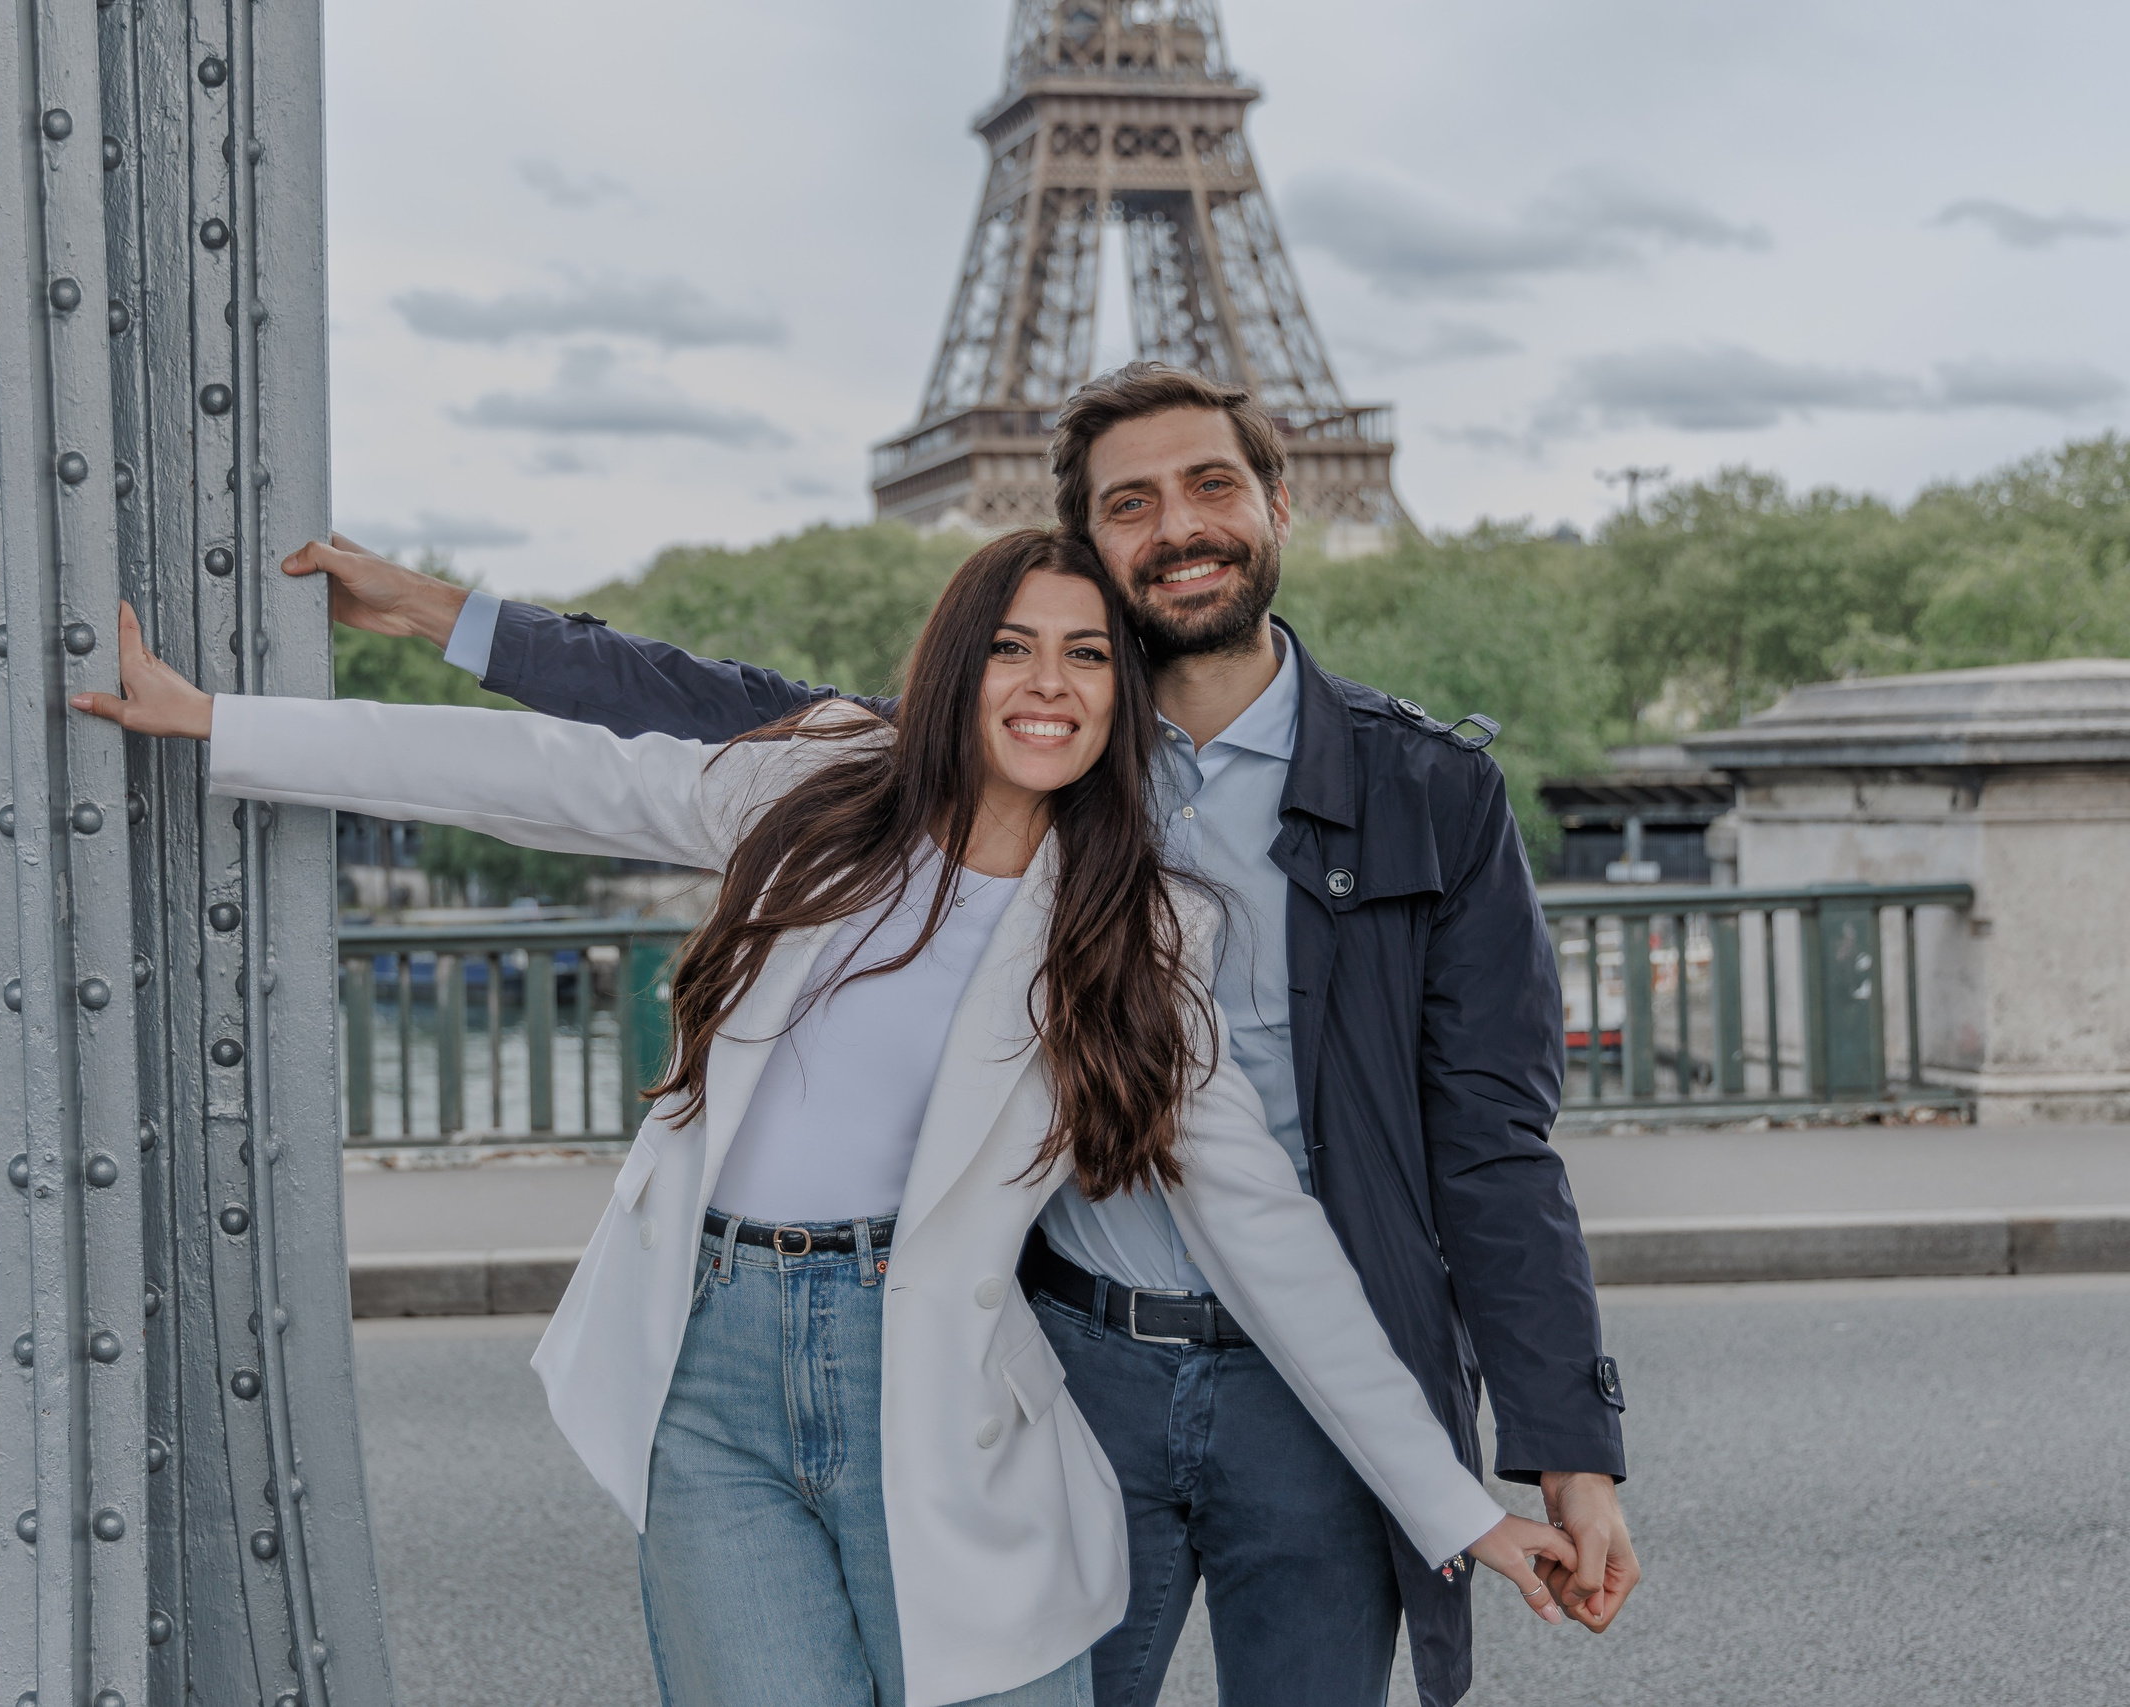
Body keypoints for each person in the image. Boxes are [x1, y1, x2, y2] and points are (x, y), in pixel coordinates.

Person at [276, 364, 1639, 1707]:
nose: (1179, 527)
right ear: (1089, 558)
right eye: (1132, 504)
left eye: (1212, 484)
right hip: (1066, 1362)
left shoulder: (1427, 793)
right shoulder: (1011, 752)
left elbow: (1493, 1148)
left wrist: (1567, 1453)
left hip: (1323, 1387)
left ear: (1281, 502)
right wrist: (457, 618)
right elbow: (691, 712)